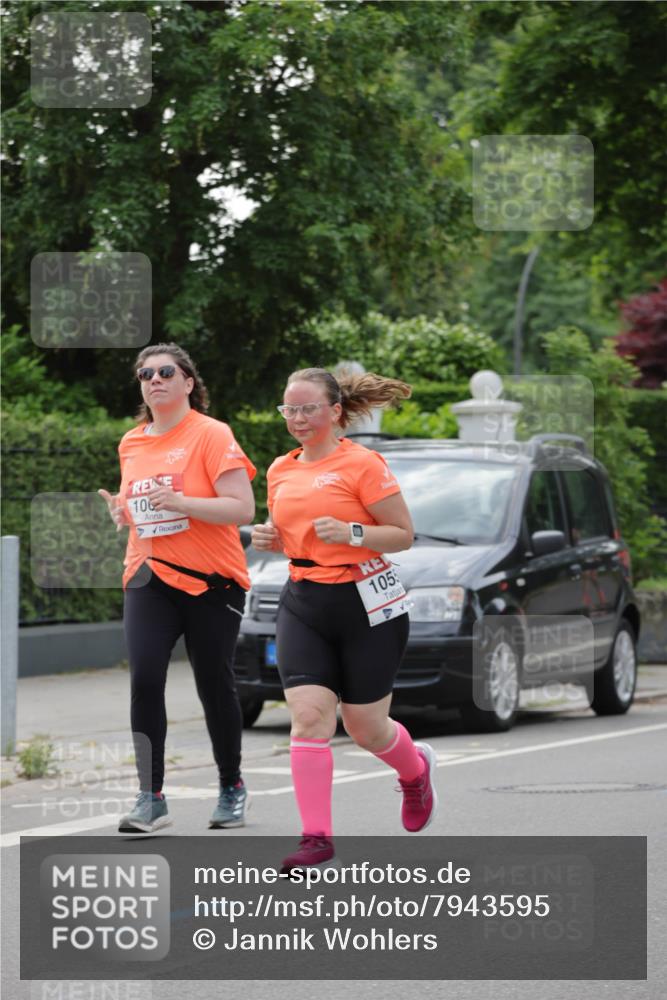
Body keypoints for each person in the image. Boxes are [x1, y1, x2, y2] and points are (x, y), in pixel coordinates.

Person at [251, 367, 438, 872]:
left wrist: (354, 531)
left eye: (308, 407)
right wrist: (272, 538)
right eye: (289, 408)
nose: (297, 418)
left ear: (335, 412)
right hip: (304, 600)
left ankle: (415, 772)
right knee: (310, 717)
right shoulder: (279, 470)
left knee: (366, 729)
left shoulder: (363, 464)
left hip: (365, 605)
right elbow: (296, 535)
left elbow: (402, 534)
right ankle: (317, 839)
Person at [99, 343, 256, 833]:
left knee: (214, 682)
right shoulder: (132, 442)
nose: (154, 380)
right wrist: (122, 512)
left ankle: (231, 785)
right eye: (145, 374)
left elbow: (242, 509)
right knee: (145, 678)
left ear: (189, 382)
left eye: (166, 371)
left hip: (212, 581)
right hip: (147, 575)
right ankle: (151, 797)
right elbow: (142, 505)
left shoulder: (212, 434)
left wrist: (183, 502)